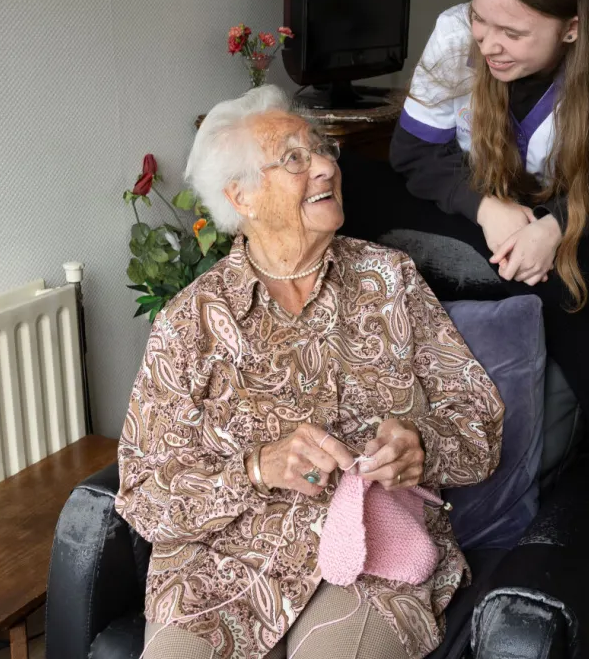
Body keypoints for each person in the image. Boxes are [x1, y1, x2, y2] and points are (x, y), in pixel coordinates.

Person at [114, 85, 505, 659]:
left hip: (373, 551)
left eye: (322, 150)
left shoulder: (389, 281)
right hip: (219, 570)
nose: (325, 166)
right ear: (242, 196)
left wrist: (420, 447)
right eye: (294, 158)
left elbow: (479, 422)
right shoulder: (189, 322)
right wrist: (256, 468)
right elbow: (144, 492)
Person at [381, 0, 589, 434]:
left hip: (588, 215)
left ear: (571, 28)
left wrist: (552, 229)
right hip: (488, 202)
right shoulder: (455, 36)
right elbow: (414, 152)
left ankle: (585, 437)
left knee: (574, 298)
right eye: (480, 18)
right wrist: (488, 209)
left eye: (513, 33)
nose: (489, 44)